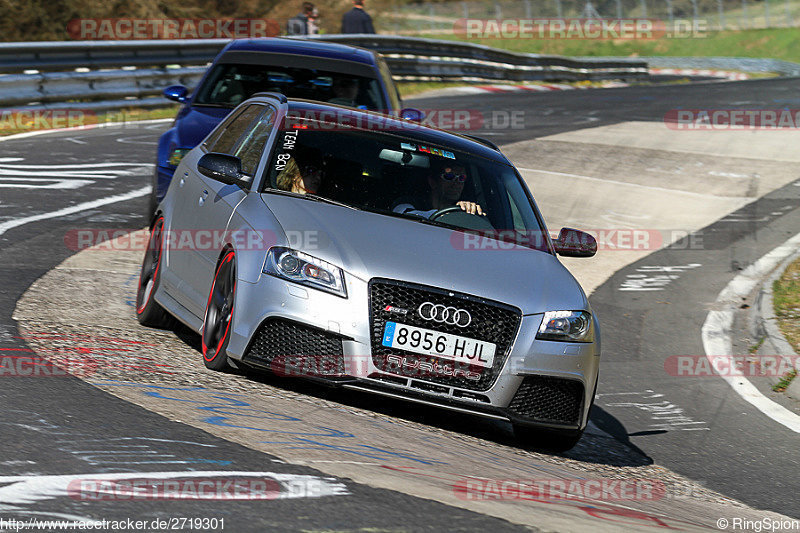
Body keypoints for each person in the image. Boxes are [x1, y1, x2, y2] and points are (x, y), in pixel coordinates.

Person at [393, 164, 485, 218]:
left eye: (462, 178)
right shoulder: (410, 202)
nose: (457, 183)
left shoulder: (463, 208)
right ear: (432, 181)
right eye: (449, 177)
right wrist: (449, 215)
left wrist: (470, 211)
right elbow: (401, 214)